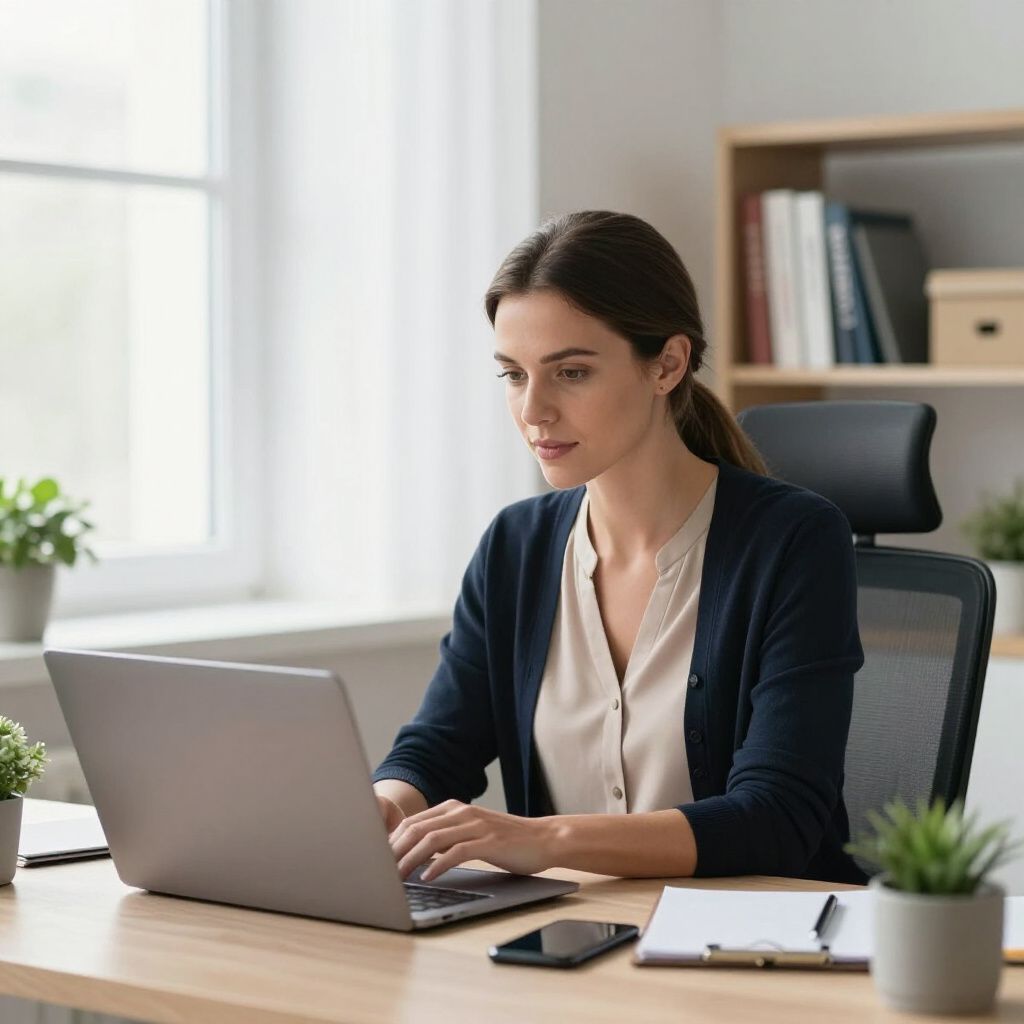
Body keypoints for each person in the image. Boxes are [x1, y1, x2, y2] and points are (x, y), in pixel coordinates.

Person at [372, 210, 866, 885]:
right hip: (573, 943)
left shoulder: (792, 541)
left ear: (666, 364)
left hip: (751, 949)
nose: (534, 409)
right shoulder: (515, 547)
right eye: (513, 375)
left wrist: (547, 840)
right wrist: (382, 810)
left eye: (570, 373)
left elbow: (778, 817)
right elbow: (437, 747)